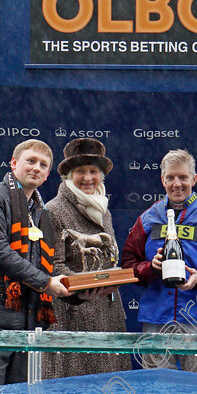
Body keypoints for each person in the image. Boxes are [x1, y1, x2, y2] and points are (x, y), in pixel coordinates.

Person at [0, 139, 72, 388]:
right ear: (14, 163)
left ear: (47, 175)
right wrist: (46, 283)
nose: (36, 168)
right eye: (30, 161)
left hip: (27, 328)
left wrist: (79, 289)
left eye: (43, 165)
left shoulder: (42, 215)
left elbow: (46, 269)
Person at [121, 149, 197, 375]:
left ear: (194, 179)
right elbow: (128, 265)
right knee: (157, 388)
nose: (177, 184)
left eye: (183, 177)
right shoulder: (148, 218)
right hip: (156, 319)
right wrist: (149, 268)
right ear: (162, 180)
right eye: (171, 178)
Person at [43, 138, 131, 379]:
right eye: (80, 171)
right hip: (73, 317)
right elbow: (54, 266)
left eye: (94, 171)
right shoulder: (54, 210)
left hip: (109, 315)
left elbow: (109, 260)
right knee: (75, 391)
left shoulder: (105, 211)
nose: (88, 178)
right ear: (68, 176)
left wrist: (113, 277)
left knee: (109, 388)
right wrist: (87, 287)